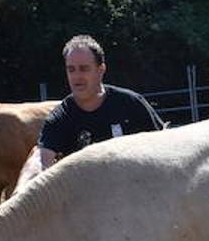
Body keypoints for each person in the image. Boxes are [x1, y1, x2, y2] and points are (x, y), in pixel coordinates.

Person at [34, 35, 165, 172]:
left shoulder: (131, 104)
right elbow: (43, 161)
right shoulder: (59, 119)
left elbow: (163, 146)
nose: (77, 77)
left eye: (84, 69)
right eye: (71, 69)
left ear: (101, 70)